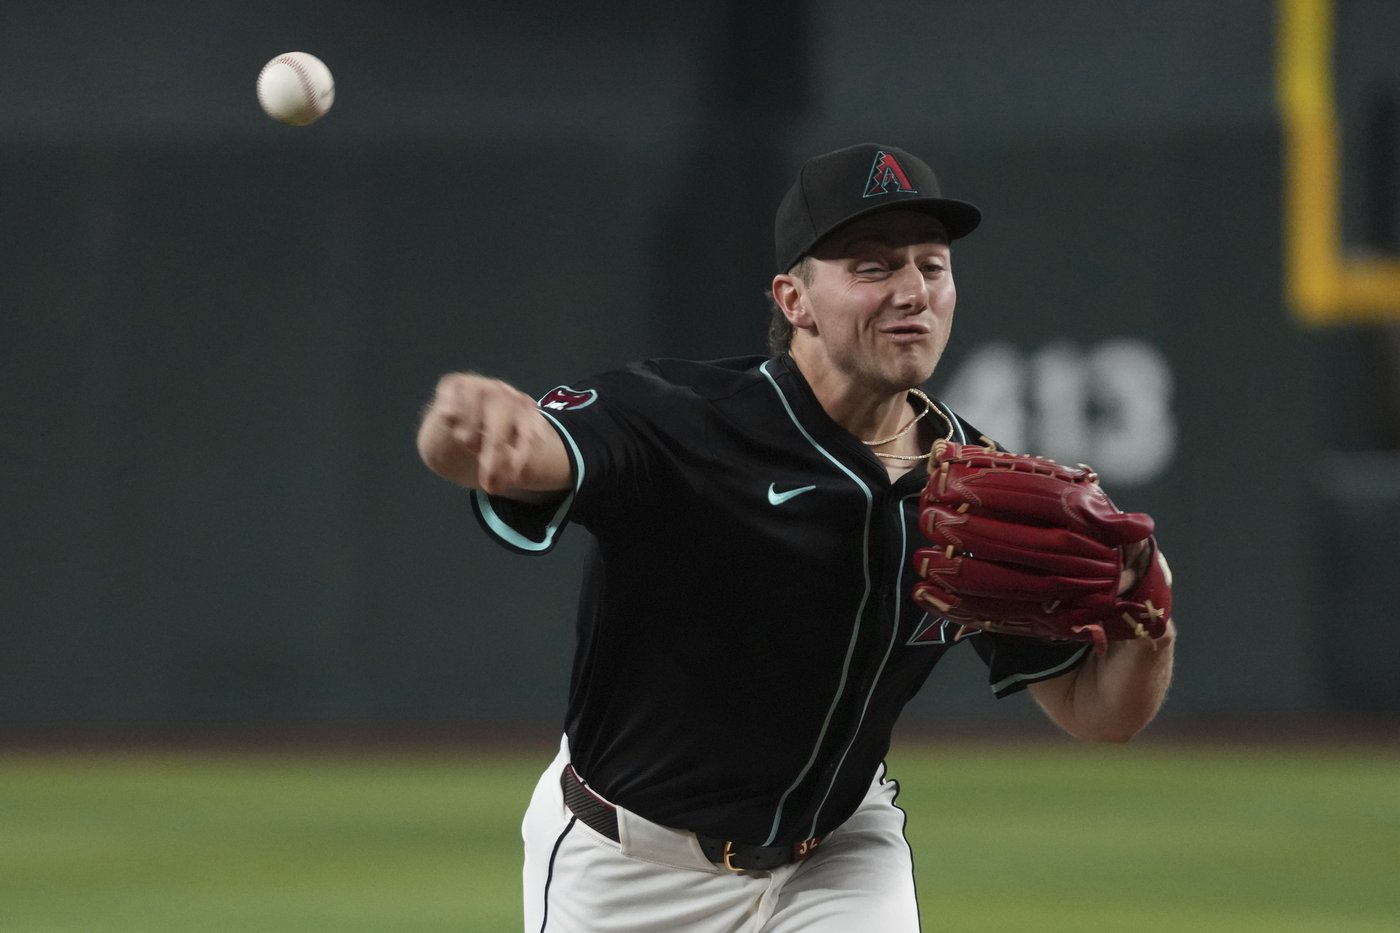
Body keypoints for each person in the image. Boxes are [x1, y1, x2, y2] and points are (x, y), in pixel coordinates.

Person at [416, 143, 1176, 932]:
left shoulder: (975, 491)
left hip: (838, 855)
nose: (913, 290)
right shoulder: (684, 422)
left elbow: (1098, 711)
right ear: (794, 299)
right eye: (873, 266)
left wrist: (1147, 625)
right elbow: (518, 453)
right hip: (631, 867)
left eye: (932, 265)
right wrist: (466, 431)